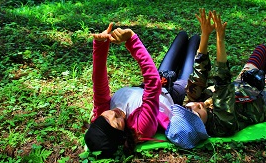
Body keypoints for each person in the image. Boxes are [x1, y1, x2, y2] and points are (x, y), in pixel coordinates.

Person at [84, 22, 208, 158]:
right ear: (123, 134)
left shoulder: (101, 113)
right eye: (118, 121)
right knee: (195, 41)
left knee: (182, 36)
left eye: (107, 116)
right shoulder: (141, 128)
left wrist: (100, 44)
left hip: (160, 79)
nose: (115, 113)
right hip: (173, 93)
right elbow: (153, 86)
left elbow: (99, 84)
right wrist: (131, 40)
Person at [184, 9, 266, 138]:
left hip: (242, 84)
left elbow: (199, 74)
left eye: (190, 109)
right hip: (262, 100)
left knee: (261, 49)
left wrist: (205, 35)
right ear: (202, 128)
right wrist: (220, 40)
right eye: (198, 114)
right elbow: (222, 79)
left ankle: (261, 76)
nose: (198, 106)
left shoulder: (188, 104)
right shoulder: (220, 125)